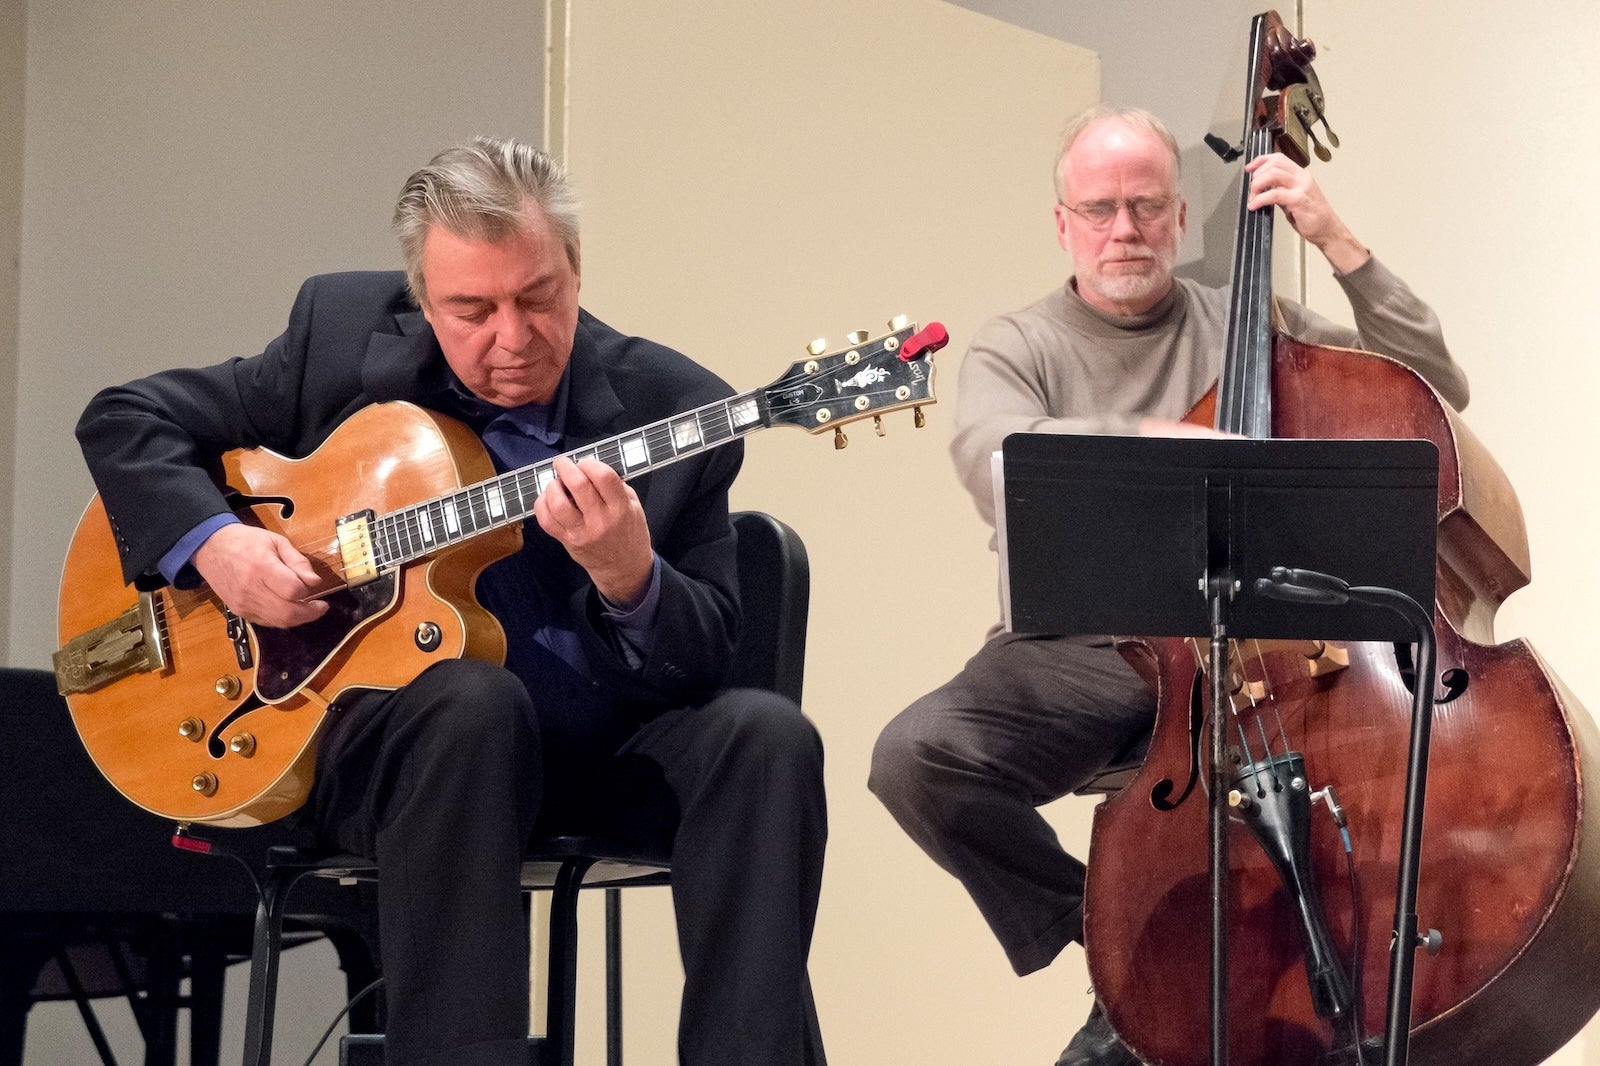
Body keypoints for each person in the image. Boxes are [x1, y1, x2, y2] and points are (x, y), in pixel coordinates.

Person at [75, 136, 828, 1066]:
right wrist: (217, 545)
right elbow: (125, 419)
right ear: (422, 299)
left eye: (538, 298)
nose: (511, 338)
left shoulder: (671, 411)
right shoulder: (339, 335)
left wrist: (631, 577)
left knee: (766, 737)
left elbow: (706, 655)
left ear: (576, 269)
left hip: (588, 745)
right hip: (369, 748)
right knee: (472, 701)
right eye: (471, 310)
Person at [868, 104, 1469, 1066]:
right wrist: (1160, 444)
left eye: (1146, 207)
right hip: (1084, 655)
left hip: (1260, 654)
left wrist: (1340, 242)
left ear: (1182, 219)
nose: (1124, 230)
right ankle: (1118, 947)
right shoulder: (1016, 345)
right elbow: (995, 454)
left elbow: (1435, 386)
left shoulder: (1249, 323)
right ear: (1062, 224)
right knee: (917, 758)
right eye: (1099, 208)